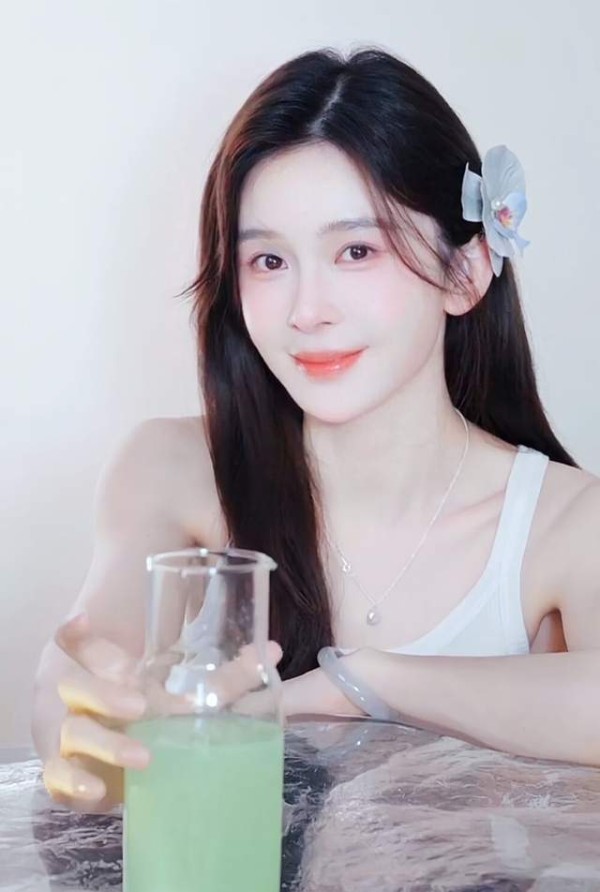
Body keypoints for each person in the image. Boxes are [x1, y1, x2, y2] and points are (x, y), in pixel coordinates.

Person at [32, 45, 600, 814]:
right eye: (268, 261)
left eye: (356, 251)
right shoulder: (173, 469)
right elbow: (91, 682)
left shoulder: (565, 523)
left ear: (465, 273)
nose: (306, 310)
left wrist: (357, 682)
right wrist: (81, 717)